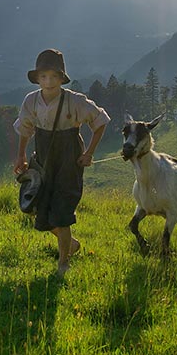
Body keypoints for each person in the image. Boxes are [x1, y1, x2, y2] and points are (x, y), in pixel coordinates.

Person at [13, 49, 110, 277]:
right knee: (36, 206)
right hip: (44, 156)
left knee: (61, 212)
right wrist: (21, 155)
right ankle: (72, 244)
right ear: (37, 79)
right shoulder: (31, 101)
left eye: (54, 76)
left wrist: (88, 153)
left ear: (61, 78)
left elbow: (100, 121)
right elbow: (25, 129)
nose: (49, 82)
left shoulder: (74, 101)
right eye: (44, 77)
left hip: (68, 158)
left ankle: (63, 263)